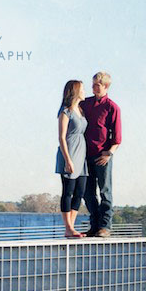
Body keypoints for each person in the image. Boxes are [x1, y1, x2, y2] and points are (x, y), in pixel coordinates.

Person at [81, 71, 121, 237]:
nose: (92, 88)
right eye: (92, 85)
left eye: (96, 85)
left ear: (105, 86)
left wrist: (108, 154)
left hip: (102, 156)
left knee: (105, 191)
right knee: (87, 192)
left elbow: (117, 138)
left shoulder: (112, 107)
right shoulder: (85, 103)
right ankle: (94, 224)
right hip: (84, 155)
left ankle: (105, 226)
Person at [55, 79, 88, 238]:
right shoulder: (65, 111)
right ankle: (68, 228)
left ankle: (71, 227)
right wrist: (68, 160)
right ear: (75, 91)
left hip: (82, 155)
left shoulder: (81, 111)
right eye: (82, 89)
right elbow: (61, 137)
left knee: (80, 191)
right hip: (69, 153)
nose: (84, 91)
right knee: (68, 191)